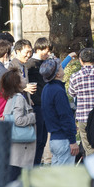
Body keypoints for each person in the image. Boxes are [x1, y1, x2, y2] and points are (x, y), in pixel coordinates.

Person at [39, 58, 78, 165]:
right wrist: (72, 140)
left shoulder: (46, 89)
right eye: (60, 67)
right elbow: (65, 116)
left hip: (54, 138)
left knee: (57, 176)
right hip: (64, 139)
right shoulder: (58, 91)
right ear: (57, 74)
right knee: (65, 178)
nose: (62, 68)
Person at [68, 47, 94, 156]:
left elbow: (71, 93)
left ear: (80, 60)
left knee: (89, 150)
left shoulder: (75, 77)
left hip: (83, 117)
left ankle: (93, 171)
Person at [1, 69, 36, 182]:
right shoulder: (19, 98)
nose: (24, 78)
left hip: (15, 143)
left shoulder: (11, 97)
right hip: (22, 145)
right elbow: (18, 120)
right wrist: (32, 117)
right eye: (21, 77)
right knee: (18, 176)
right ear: (17, 83)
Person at [27, 37, 53, 166]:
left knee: (43, 140)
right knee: (37, 139)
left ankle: (38, 164)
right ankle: (34, 165)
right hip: (36, 105)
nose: (48, 54)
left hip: (46, 105)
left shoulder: (48, 62)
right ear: (38, 49)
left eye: (49, 51)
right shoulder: (30, 64)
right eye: (46, 51)